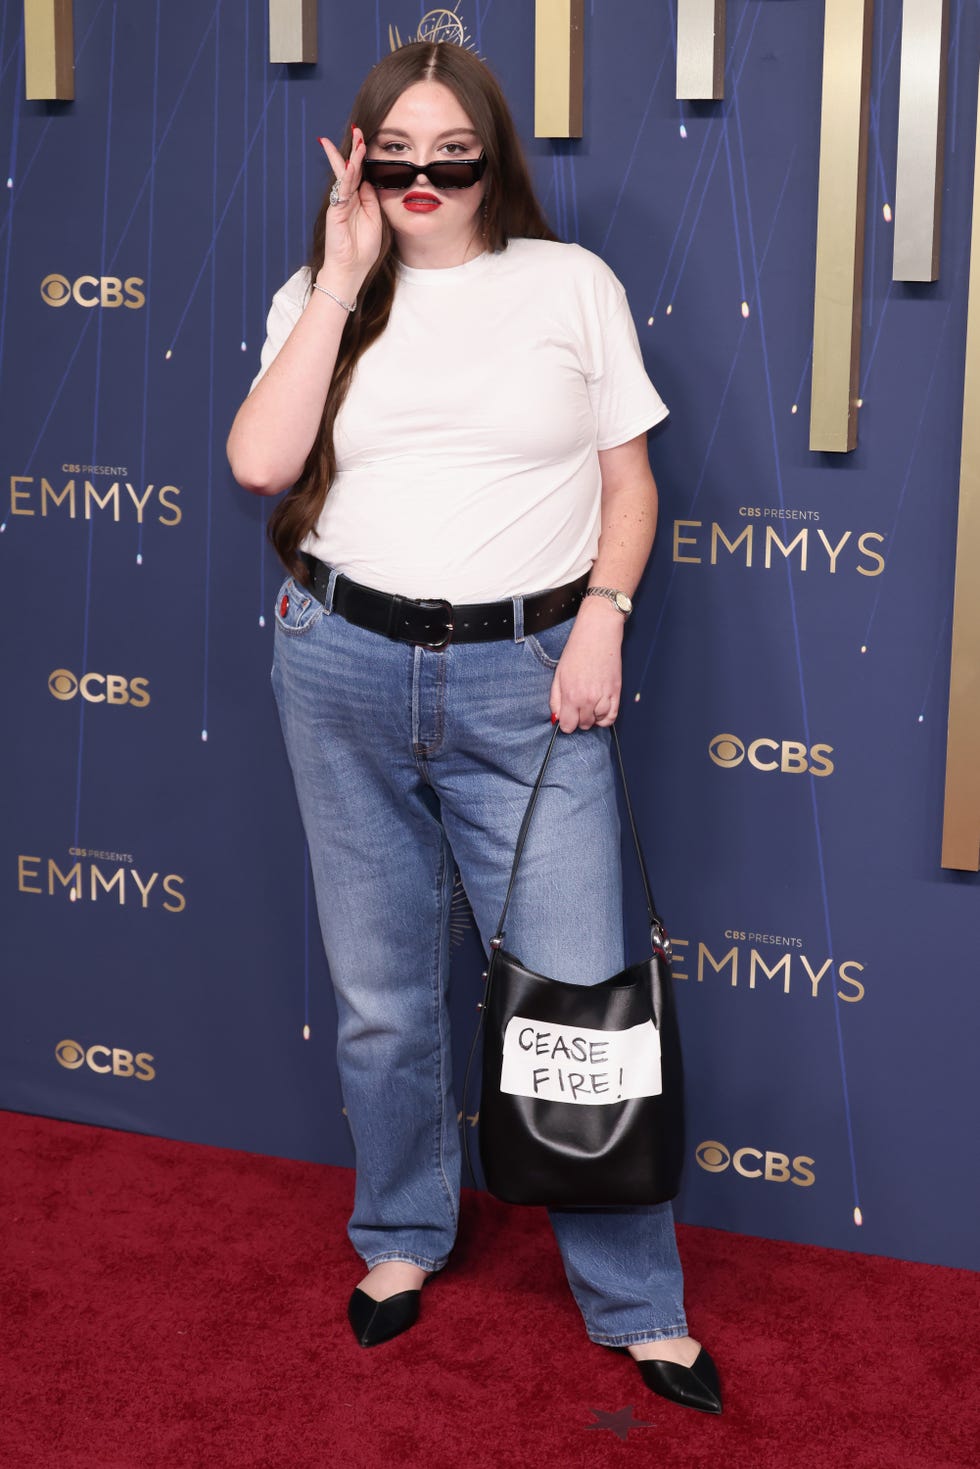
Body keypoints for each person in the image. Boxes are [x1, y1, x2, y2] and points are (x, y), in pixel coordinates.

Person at [227, 40, 721, 1415]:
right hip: (339, 665)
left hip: (534, 673)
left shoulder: (569, 287)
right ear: (360, 156)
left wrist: (607, 614)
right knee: (383, 994)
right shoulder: (324, 297)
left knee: (575, 995)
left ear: (494, 156)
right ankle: (398, 1233)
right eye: (398, 152)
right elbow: (262, 462)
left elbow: (631, 480)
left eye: (455, 152)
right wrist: (339, 278)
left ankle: (635, 1300)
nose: (426, 176)